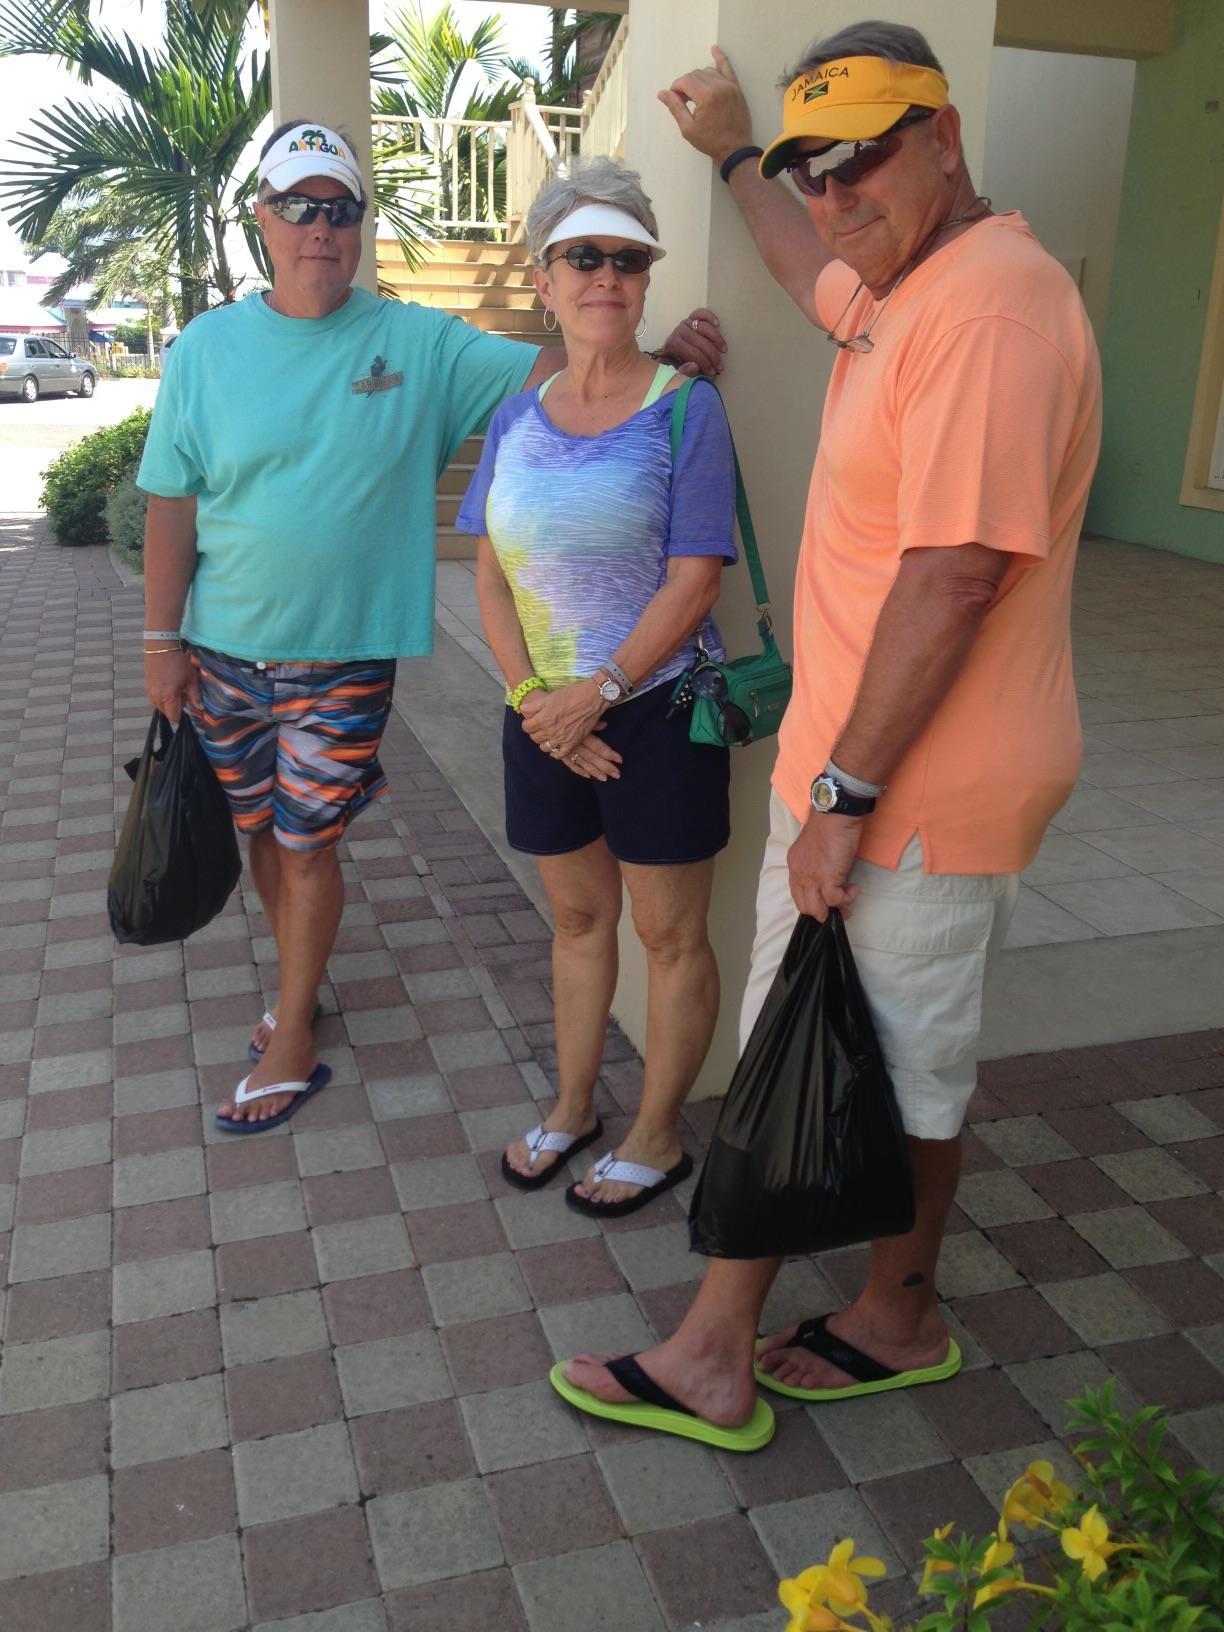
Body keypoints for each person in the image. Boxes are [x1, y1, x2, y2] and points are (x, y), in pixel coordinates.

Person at [553, 22, 1101, 1447]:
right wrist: (739, 151)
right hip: (870, 772)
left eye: (866, 155)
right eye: (817, 166)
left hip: (916, 784)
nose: (838, 190)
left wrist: (849, 789)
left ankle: (721, 1352)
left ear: (947, 134)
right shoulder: (915, 284)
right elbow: (812, 271)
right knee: (870, 1050)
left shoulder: (989, 310)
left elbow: (957, 573)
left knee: (871, 1056)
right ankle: (891, 1312)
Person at [136, 119, 724, 1135]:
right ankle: (298, 982)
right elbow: (170, 502)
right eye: (301, 207)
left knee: (308, 843)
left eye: (342, 208)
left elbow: (560, 364)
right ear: (263, 220)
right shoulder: (205, 347)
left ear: (360, 224)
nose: (322, 227)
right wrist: (161, 642)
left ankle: (292, 1039)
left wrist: (661, 352)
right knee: (259, 836)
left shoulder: (415, 340)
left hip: (349, 649)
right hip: (224, 646)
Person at [457, 158, 739, 1217]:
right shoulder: (518, 418)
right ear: (545, 277)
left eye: (628, 259)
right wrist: (538, 698)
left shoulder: (686, 408)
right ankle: (573, 1107)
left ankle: (658, 1134)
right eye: (584, 257)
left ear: (646, 276)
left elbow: (696, 573)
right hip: (542, 718)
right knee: (578, 925)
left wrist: (600, 692)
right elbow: (488, 567)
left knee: (669, 935)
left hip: (659, 713)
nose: (606, 277)